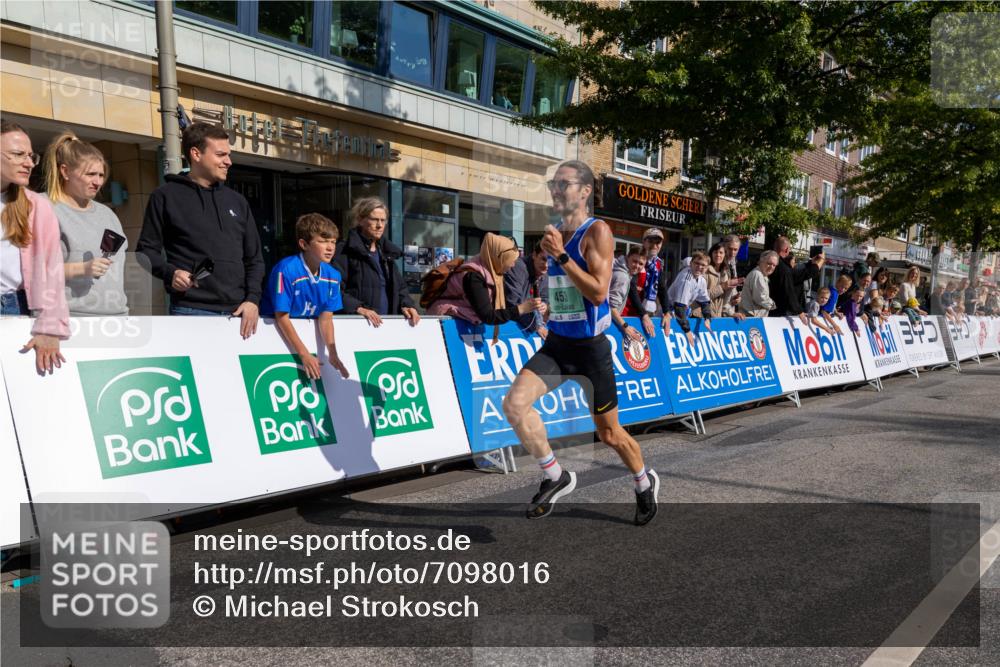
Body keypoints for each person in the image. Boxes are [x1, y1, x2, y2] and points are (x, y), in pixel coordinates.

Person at [501, 160, 660, 526]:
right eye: (553, 184)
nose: (556, 191)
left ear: (585, 191)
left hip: (590, 350)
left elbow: (599, 293)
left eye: (564, 184)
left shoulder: (597, 231)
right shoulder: (556, 231)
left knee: (609, 434)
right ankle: (556, 476)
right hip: (559, 344)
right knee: (514, 405)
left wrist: (561, 255)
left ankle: (643, 481)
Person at [137, 122, 264, 337]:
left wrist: (252, 299)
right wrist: (171, 273)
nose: (228, 161)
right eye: (221, 155)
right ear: (196, 154)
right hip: (190, 311)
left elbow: (255, 259)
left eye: (228, 155)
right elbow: (145, 251)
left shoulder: (238, 201)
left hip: (239, 314)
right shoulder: (165, 196)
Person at [1, 120, 69, 374]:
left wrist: (50, 327)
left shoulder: (35, 205)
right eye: (18, 154)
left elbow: (52, 270)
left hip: (12, 309)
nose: (29, 163)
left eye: (31, 156)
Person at [43, 131, 128, 316]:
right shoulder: (43, 208)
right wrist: (82, 269)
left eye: (101, 175)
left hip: (116, 318)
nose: (98, 182)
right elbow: (30, 271)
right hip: (68, 318)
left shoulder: (108, 214)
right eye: (90, 174)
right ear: (65, 171)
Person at [261, 213, 349, 380]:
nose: (330, 247)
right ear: (304, 244)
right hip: (271, 335)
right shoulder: (285, 270)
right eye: (323, 241)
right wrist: (304, 354)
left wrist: (333, 353)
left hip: (298, 338)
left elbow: (326, 318)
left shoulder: (333, 275)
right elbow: (281, 317)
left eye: (333, 242)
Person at [334, 196, 420, 328]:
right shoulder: (344, 250)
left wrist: (407, 305)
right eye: (374, 219)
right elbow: (333, 289)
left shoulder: (387, 253)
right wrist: (358, 308)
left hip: (386, 327)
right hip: (357, 326)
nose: (379, 225)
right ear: (360, 220)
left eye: (383, 220)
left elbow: (400, 288)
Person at [426, 233, 542, 330]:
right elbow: (488, 316)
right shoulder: (473, 277)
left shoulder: (492, 272)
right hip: (443, 327)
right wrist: (521, 309)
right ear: (499, 258)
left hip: (459, 325)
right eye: (510, 261)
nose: (512, 265)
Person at [666, 250, 714, 346]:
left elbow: (705, 301)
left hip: (679, 314)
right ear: (691, 263)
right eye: (697, 263)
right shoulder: (686, 279)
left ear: (707, 268)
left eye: (703, 265)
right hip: (668, 313)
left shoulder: (701, 280)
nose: (699, 267)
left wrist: (707, 318)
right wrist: (687, 331)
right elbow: (679, 307)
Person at [503, 241, 549, 337]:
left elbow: (545, 298)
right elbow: (512, 303)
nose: (546, 265)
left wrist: (544, 305)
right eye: (543, 259)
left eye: (550, 261)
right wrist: (536, 326)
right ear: (534, 255)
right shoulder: (518, 267)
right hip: (506, 324)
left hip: (526, 323)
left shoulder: (545, 273)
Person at [636, 227, 672, 331]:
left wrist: (666, 312)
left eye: (658, 242)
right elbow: (631, 290)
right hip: (632, 310)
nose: (654, 245)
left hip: (648, 310)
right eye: (650, 241)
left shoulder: (657, 263)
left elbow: (661, 288)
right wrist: (643, 315)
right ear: (644, 242)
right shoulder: (636, 259)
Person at [609, 245, 647, 342]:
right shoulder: (623, 277)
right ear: (627, 257)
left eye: (641, 264)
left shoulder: (621, 270)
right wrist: (625, 326)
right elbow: (611, 307)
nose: (637, 266)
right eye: (634, 261)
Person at [704, 241, 743, 318]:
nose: (718, 255)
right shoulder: (704, 271)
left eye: (721, 252)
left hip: (718, 317)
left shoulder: (726, 273)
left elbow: (725, 303)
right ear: (711, 254)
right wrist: (722, 287)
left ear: (725, 255)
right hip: (704, 316)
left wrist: (734, 300)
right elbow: (701, 296)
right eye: (715, 252)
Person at [739, 251, 779, 318]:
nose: (771, 267)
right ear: (761, 262)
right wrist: (773, 305)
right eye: (769, 263)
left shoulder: (762, 275)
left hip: (754, 317)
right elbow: (761, 298)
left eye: (774, 265)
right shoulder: (757, 274)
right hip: (751, 318)